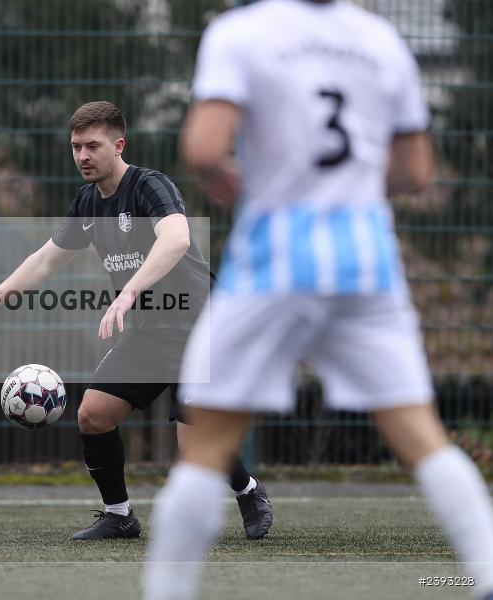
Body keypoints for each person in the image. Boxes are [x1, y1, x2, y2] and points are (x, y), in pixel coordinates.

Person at [143, 1, 493, 598]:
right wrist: (347, 182)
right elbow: (413, 171)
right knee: (420, 435)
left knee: (210, 441)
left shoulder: (241, 33)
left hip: (274, 262)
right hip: (367, 264)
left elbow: (203, 149)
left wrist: (238, 178)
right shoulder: (381, 40)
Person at [0, 100, 273, 541]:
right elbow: (46, 260)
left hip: (203, 330)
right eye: (76, 147)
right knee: (94, 414)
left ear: (118, 145)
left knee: (192, 444)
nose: (83, 156)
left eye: (93, 146)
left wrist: (130, 291)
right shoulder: (87, 202)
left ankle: (248, 491)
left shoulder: (149, 186)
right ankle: (119, 515)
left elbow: (177, 238)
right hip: (149, 334)